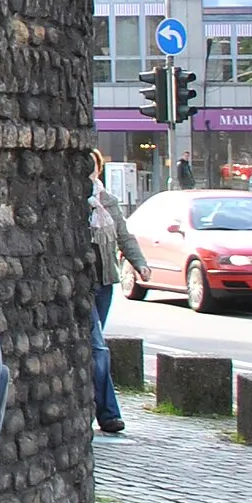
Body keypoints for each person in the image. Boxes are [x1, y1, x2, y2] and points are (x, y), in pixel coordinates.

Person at [87, 155, 145, 441]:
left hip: (105, 284)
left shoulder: (107, 200)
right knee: (97, 349)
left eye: (93, 165)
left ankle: (91, 405)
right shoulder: (76, 201)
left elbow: (124, 236)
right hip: (83, 287)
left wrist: (139, 263)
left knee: (94, 349)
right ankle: (108, 414)